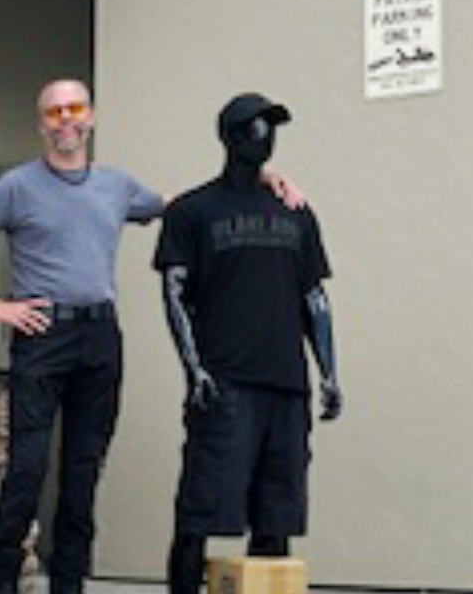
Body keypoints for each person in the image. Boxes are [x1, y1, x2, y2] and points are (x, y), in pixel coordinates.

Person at [0, 79, 302, 594]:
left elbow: (192, 206)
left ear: (91, 118)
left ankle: (68, 586)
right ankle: (2, 584)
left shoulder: (117, 186)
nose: (65, 119)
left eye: (75, 109)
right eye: (54, 112)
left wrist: (262, 179)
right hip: (43, 339)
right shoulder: (17, 187)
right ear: (42, 123)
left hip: (101, 338)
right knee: (28, 470)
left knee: (82, 476)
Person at [153, 94, 340, 594]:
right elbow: (174, 295)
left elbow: (314, 298)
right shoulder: (194, 212)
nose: (268, 137)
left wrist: (329, 371)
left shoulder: (295, 212)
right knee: (201, 510)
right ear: (232, 137)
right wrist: (195, 369)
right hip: (226, 384)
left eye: (272, 127)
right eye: (257, 128)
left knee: (276, 516)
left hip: (287, 385)